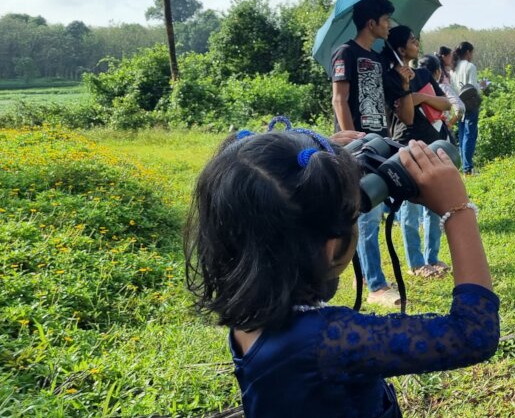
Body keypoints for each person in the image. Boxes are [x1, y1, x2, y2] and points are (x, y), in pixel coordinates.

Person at [184, 127, 498, 418]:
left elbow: (265, 187)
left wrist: (325, 167)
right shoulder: (327, 342)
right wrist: (457, 211)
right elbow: (473, 333)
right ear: (332, 246)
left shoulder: (252, 313)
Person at [330, 0, 412, 308]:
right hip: (357, 147)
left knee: (368, 213)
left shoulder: (378, 59)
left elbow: (395, 103)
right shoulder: (345, 53)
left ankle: (362, 273)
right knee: (368, 216)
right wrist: (354, 143)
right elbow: (339, 98)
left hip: (379, 144)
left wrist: (403, 80)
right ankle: (376, 286)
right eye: (386, 20)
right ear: (371, 22)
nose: (389, 25)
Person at [383, 27, 454, 278]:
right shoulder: (389, 78)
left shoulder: (423, 74)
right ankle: (416, 262)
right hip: (406, 145)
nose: (417, 43)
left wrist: (419, 97)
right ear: (401, 49)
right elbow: (406, 117)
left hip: (433, 144)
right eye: (412, 41)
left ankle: (432, 256)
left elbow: (445, 103)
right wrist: (405, 89)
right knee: (410, 208)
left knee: (435, 204)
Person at [452, 41, 481, 174]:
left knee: (462, 135)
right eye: (472, 53)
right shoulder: (470, 66)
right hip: (470, 104)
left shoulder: (454, 67)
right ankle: (468, 168)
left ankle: (464, 165)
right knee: (470, 135)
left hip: (458, 105)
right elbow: (473, 88)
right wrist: (483, 86)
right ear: (468, 52)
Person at [434, 46, 464, 128]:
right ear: (444, 57)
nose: (452, 59)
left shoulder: (443, 74)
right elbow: (460, 108)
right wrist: (450, 123)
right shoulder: (443, 81)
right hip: (443, 119)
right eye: (450, 56)